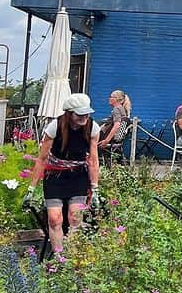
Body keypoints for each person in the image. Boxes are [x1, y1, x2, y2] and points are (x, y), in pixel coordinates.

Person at [28, 92, 100, 256]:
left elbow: (94, 160)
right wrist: (32, 188)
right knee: (54, 218)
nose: (84, 117)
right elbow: (42, 158)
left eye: (86, 113)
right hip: (55, 175)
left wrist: (95, 189)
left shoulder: (92, 127)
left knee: (75, 218)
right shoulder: (56, 126)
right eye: (80, 114)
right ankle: (59, 258)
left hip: (78, 176)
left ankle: (71, 258)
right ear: (70, 113)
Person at [98, 89, 132, 159]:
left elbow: (117, 125)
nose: (109, 98)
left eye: (111, 97)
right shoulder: (122, 109)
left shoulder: (116, 109)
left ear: (117, 100)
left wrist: (106, 140)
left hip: (105, 137)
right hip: (112, 137)